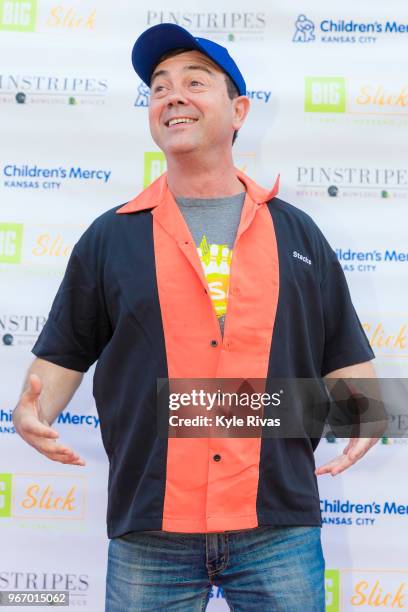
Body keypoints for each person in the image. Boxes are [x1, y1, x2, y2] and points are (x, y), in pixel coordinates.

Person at [13, 23, 377, 611]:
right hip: (149, 525)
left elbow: (347, 357)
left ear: (238, 111)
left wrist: (370, 416)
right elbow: (59, 355)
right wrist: (30, 411)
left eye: (194, 82)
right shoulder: (111, 237)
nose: (172, 95)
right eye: (158, 87)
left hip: (277, 525)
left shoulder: (298, 233)